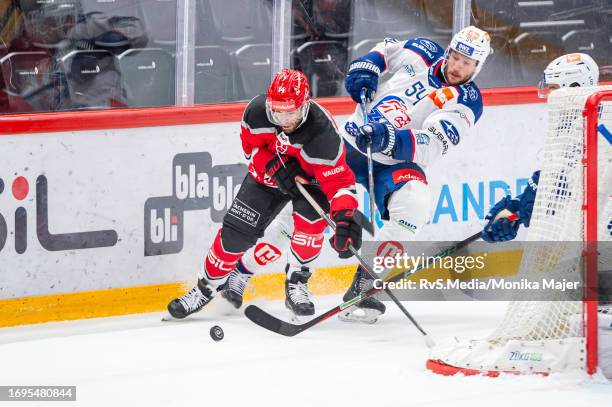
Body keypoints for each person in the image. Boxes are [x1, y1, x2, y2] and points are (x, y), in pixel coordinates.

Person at [223, 26, 492, 323]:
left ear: (478, 66)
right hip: (350, 144)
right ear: (449, 50)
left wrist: (388, 138)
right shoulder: (423, 50)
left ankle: (365, 285)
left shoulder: (467, 100)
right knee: (305, 213)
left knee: (415, 205)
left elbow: (431, 145)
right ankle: (242, 272)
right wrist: (366, 69)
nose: (457, 66)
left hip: (396, 162)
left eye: (467, 63)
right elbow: (384, 51)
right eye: (455, 56)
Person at [167, 68, 363, 320]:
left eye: (290, 112)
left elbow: (340, 183)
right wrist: (271, 164)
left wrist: (346, 217)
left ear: (304, 106)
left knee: (310, 228)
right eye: (277, 111)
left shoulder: (323, 134)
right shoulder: (256, 112)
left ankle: (297, 282)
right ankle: (204, 289)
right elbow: (250, 150)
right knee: (234, 235)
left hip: (310, 182)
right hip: (266, 179)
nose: (283, 119)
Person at [482, 53, 600, 243]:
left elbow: (586, 185)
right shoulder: (568, 125)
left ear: (575, 87)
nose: (547, 95)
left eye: (553, 88)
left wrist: (541, 192)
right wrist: (516, 206)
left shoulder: (601, 125)